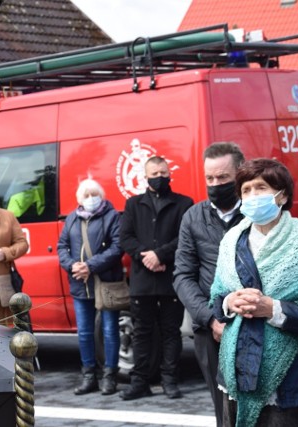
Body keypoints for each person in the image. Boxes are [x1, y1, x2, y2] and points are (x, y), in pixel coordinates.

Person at [210, 158, 298, 427]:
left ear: (282, 194)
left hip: (295, 376)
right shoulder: (231, 241)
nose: (253, 196)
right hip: (239, 368)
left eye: (261, 187)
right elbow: (217, 295)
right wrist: (231, 301)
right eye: (246, 190)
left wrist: (274, 309)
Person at [173, 142, 245, 426]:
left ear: (240, 173)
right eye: (209, 179)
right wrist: (210, 319)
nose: (216, 185)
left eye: (223, 178)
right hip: (209, 327)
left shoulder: (257, 214)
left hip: (255, 322)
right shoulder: (193, 216)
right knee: (223, 407)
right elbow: (182, 275)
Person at [119, 156, 193, 400]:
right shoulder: (133, 204)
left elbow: (185, 237)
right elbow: (126, 238)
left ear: (169, 172)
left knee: (171, 332)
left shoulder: (184, 203)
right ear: (146, 176)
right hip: (142, 281)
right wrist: (146, 258)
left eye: (163, 171)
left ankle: (169, 381)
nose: (159, 176)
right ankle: (139, 382)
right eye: (154, 172)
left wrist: (160, 256)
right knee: (142, 333)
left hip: (171, 278)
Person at [57, 179, 124, 395]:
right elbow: (62, 247)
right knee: (84, 333)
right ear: (79, 199)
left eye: (94, 194)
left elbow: (117, 248)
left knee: (109, 331)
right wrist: (72, 265)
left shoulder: (112, 216)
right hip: (80, 285)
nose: (90, 198)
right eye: (86, 195)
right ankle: (89, 376)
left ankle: (109, 377)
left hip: (106, 284)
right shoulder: (72, 219)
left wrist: (90, 266)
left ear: (101, 195)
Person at [0, 175, 29, 325]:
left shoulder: (7, 216)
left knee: (1, 329)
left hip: (0, 282)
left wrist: (6, 253)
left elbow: (22, 243)